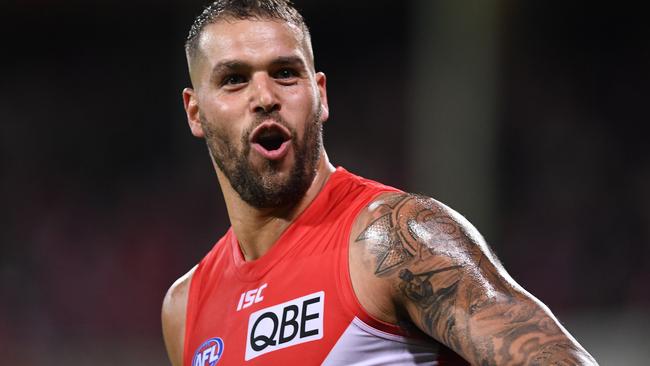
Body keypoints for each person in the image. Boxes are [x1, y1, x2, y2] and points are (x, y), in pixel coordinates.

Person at [161, 1, 598, 365]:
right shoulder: (185, 308)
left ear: (320, 96)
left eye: (286, 73)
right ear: (195, 112)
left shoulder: (393, 237)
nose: (265, 97)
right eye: (234, 80)